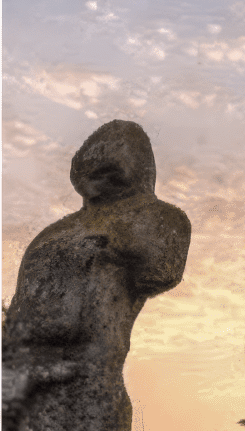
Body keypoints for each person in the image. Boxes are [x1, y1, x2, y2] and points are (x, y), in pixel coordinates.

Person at [2, 120, 191, 431]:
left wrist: (111, 246)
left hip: (90, 378)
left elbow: (163, 267)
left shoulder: (156, 218)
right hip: (30, 379)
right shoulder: (52, 235)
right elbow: (20, 312)